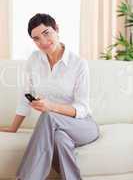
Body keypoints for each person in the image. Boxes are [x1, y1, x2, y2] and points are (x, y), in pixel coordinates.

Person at [0, 13, 99, 180]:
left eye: (46, 33)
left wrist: (51, 107)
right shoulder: (34, 59)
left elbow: (82, 108)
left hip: (83, 126)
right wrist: (13, 127)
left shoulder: (78, 64)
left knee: (49, 116)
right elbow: (26, 96)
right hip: (57, 130)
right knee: (60, 140)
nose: (43, 42)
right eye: (36, 38)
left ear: (57, 29)